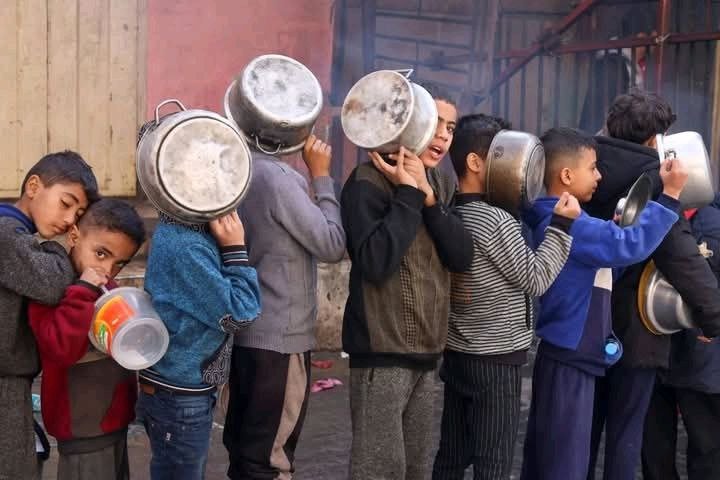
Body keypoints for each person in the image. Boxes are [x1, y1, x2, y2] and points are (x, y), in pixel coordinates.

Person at [520, 127, 687, 480]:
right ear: (567, 175)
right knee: (564, 463)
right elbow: (630, 246)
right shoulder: (572, 225)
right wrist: (670, 197)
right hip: (572, 357)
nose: (599, 176)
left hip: (565, 354)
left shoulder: (556, 218)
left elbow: (606, 264)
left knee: (549, 455)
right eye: (593, 168)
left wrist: (615, 231)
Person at [431, 114, 579, 480]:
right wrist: (562, 226)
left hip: (460, 352)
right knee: (493, 463)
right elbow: (536, 278)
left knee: (451, 457)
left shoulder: (453, 210)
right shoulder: (494, 220)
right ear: (475, 162)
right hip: (495, 360)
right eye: (503, 153)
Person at [584, 90, 720, 480]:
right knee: (626, 441)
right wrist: (712, 318)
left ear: (609, 125)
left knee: (578, 438)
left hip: (580, 327)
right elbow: (683, 260)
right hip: (635, 334)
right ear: (655, 140)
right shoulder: (654, 184)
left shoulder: (582, 165)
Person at [341, 83, 474, 480]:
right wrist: (408, 193)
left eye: (451, 128)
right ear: (408, 121)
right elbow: (375, 261)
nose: (443, 137)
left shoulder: (442, 185)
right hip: (382, 351)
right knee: (380, 470)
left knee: (415, 469)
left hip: (428, 352)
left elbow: (461, 256)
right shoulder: (366, 182)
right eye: (435, 124)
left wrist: (428, 199)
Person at [135, 125, 262, 480]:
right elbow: (240, 313)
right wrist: (235, 249)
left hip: (179, 390)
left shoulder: (185, 230)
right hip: (179, 396)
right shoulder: (186, 244)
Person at [223, 133, 346, 479]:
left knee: (245, 454)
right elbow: (332, 244)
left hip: (246, 335)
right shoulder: (277, 178)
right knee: (269, 460)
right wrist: (321, 175)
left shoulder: (237, 169)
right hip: (279, 341)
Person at [29, 199, 146, 480]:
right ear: (74, 237)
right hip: (82, 429)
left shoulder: (108, 288)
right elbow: (61, 349)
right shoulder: (53, 289)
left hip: (114, 420)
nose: (107, 269)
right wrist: (82, 291)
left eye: (119, 264)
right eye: (101, 254)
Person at [0, 151, 98, 479]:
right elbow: (54, 283)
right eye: (66, 203)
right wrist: (60, 248)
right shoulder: (6, 235)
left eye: (78, 214)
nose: (69, 219)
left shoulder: (17, 234)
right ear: (33, 186)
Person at [642, 194, 720, 480]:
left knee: (703, 449)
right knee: (659, 450)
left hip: (695, 351)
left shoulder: (709, 221)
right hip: (662, 347)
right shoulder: (651, 212)